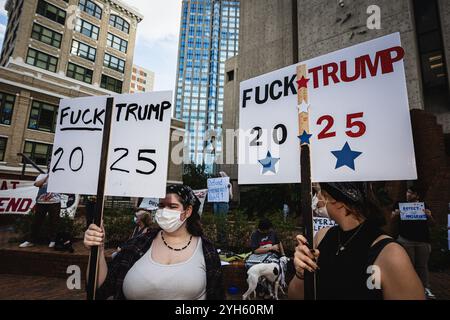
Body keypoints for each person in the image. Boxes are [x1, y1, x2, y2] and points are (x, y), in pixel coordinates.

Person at [84, 185, 224, 300]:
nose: (164, 211)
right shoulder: (137, 244)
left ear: (187, 211)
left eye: (172, 206)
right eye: (161, 205)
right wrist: (98, 250)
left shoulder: (206, 250)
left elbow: (217, 295)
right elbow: (99, 289)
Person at [288, 182, 425, 300]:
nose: (315, 198)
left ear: (336, 200)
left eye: (318, 191)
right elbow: (295, 297)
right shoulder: (321, 237)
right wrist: (301, 274)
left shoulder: (390, 254)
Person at [391, 185, 436, 299]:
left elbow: (432, 224)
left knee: (422, 266)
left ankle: (425, 288)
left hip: (423, 241)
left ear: (417, 195)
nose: (408, 194)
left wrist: (429, 216)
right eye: (407, 192)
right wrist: (395, 215)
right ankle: (408, 289)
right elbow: (392, 220)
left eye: (411, 193)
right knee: (408, 266)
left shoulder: (424, 206)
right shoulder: (399, 205)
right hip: (405, 240)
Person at [20, 163, 61, 248]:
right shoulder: (41, 175)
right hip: (41, 202)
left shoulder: (59, 177)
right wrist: (47, 177)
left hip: (55, 202)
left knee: (54, 222)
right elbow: (37, 184)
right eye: (49, 165)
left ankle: (53, 240)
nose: (51, 167)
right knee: (36, 222)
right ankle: (30, 240)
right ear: (48, 167)